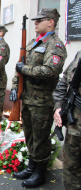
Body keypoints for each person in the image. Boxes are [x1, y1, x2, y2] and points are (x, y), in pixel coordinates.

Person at [9, 8, 67, 188]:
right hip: (27, 98)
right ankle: (31, 166)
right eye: (35, 20)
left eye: (40, 20)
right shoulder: (34, 42)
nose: (35, 22)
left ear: (51, 22)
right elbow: (20, 64)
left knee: (41, 137)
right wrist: (14, 87)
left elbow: (51, 71)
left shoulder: (55, 45)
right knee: (30, 135)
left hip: (42, 101)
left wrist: (24, 69)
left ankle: (40, 173)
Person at [53, 50, 81, 190]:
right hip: (74, 127)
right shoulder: (79, 55)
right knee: (70, 172)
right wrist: (58, 107)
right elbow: (64, 80)